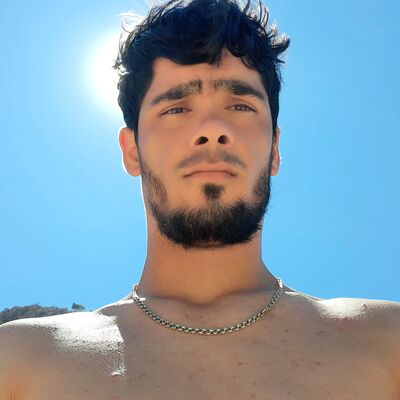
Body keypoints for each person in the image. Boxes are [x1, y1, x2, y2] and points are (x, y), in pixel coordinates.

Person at [1, 0, 399, 398]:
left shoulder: (387, 341)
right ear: (132, 151)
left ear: (275, 150)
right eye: (177, 108)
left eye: (240, 105)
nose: (211, 128)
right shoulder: (19, 359)